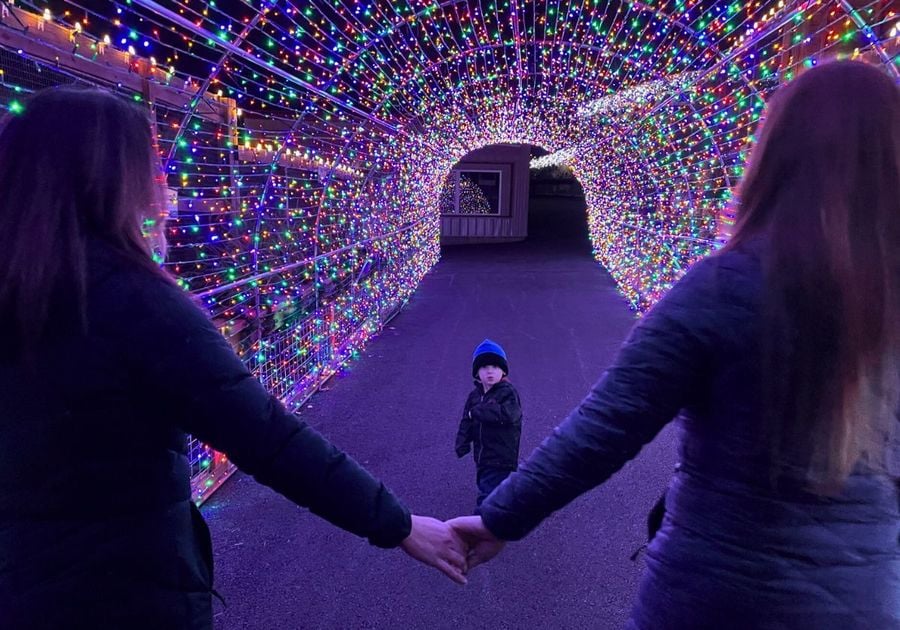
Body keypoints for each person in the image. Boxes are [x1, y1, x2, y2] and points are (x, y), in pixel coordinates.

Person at [449, 60, 900, 628]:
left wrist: (498, 519)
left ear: (773, 158)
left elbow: (605, 429)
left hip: (708, 592)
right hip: (865, 601)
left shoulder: (725, 285)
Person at [0, 87, 465, 630]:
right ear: (109, 183)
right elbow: (266, 435)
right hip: (121, 589)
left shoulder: (23, 290)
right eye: (151, 173)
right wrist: (400, 524)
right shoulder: (132, 300)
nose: (164, 191)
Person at [455, 339, 523, 509]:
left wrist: (478, 411)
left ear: (503, 372)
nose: (490, 371)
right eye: (485, 367)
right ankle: (507, 514)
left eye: (495, 367)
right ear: (477, 372)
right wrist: (462, 442)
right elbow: (467, 420)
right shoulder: (475, 396)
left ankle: (482, 529)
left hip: (501, 455)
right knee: (492, 489)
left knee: (487, 496)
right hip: (482, 455)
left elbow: (509, 414)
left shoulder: (508, 393)